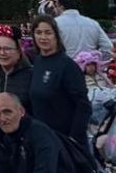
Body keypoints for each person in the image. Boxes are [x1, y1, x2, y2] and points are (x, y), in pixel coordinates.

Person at [26, 15, 90, 143]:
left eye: (48, 33)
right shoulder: (37, 62)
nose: (43, 37)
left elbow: (83, 105)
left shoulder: (67, 65)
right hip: (45, 137)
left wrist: (74, 137)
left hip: (66, 138)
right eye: (38, 33)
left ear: (56, 35)